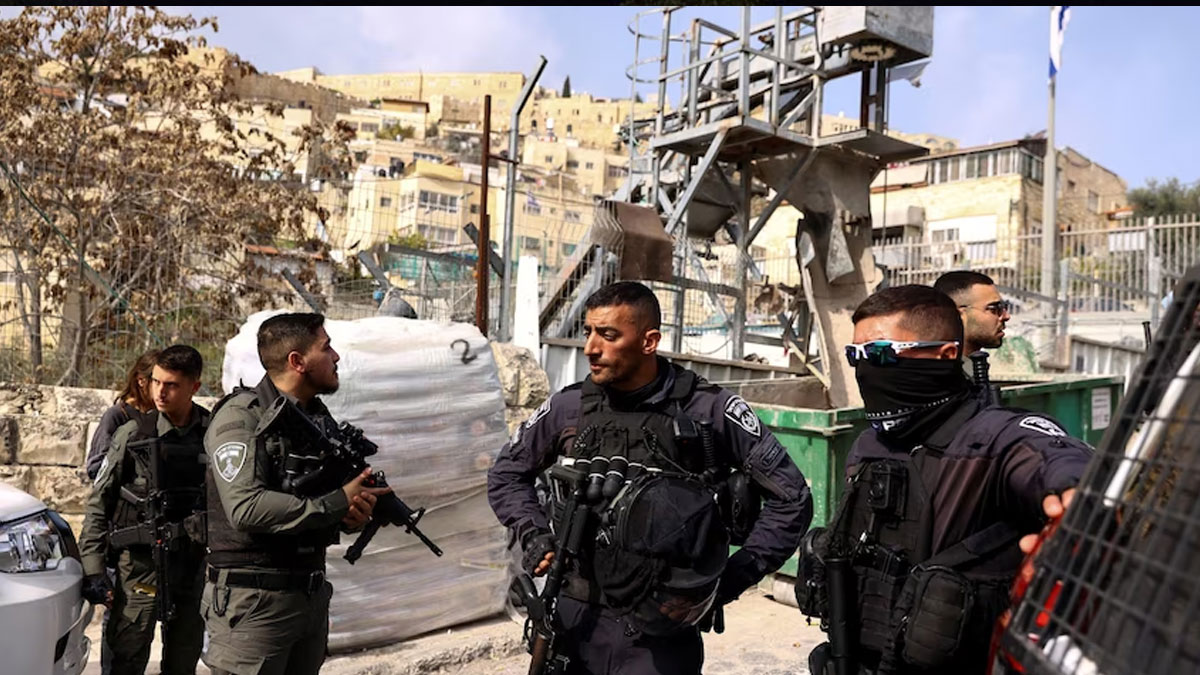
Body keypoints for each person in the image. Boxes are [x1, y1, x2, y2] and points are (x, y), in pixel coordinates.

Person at [488, 281, 812, 674]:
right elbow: (506, 474)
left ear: (649, 341)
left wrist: (727, 580)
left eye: (609, 335)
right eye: (588, 332)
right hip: (575, 618)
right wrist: (533, 533)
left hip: (660, 635)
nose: (591, 347)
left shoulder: (708, 409)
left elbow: (791, 497)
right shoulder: (569, 407)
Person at [800, 285, 1093, 675]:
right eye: (856, 355)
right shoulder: (870, 444)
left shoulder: (989, 438)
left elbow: (1051, 457)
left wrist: (1075, 490)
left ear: (945, 354)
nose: (865, 368)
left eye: (881, 353)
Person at [200, 312, 389, 675]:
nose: (335, 357)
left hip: (307, 596)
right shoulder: (242, 417)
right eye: (326, 348)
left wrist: (350, 514)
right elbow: (246, 507)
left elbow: (313, 502)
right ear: (297, 361)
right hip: (253, 607)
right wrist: (337, 501)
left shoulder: (317, 420)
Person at [79, 345, 211, 675]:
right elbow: (99, 501)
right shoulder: (133, 433)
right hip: (139, 567)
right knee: (126, 657)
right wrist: (93, 568)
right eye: (156, 382)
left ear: (194, 387)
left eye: (171, 385)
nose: (160, 392)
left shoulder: (213, 433)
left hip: (192, 565)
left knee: (184, 659)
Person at [86, 349, 160, 480]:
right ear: (142, 380)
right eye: (157, 382)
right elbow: (96, 467)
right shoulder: (116, 416)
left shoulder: (166, 416)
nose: (164, 390)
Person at [933, 270, 1012, 357]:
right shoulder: (934, 363)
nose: (1006, 316)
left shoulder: (969, 364)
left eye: (1003, 306)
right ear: (958, 315)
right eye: (994, 308)